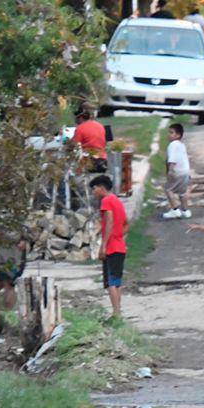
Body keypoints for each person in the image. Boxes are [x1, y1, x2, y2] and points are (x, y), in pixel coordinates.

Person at [92, 175, 128, 320]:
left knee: (110, 282)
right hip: (120, 245)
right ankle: (118, 311)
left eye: (94, 189)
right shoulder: (117, 201)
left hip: (112, 247)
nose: (94, 192)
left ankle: (116, 312)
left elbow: (109, 221)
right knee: (117, 281)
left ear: (101, 187)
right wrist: (119, 236)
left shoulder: (106, 201)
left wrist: (103, 245)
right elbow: (126, 223)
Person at [160, 122, 192, 220]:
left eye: (171, 132)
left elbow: (172, 159)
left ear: (178, 135)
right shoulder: (182, 145)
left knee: (168, 189)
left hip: (176, 171)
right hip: (185, 171)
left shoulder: (172, 145)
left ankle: (175, 210)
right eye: (169, 132)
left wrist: (170, 170)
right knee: (182, 192)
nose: (169, 135)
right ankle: (185, 211)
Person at [73, 106, 108, 171]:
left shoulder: (80, 128)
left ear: (80, 118)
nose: (75, 120)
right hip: (103, 160)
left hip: (89, 161)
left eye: (76, 118)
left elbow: (74, 145)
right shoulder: (100, 125)